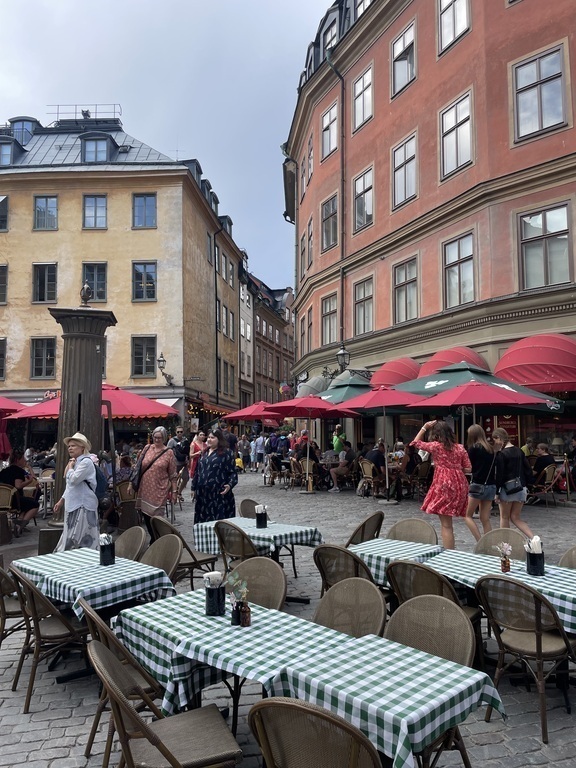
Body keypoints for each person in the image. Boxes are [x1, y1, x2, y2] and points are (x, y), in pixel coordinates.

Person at [410, 420, 471, 549]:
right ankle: (451, 551)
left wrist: (424, 427)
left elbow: (415, 443)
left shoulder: (436, 446)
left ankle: (449, 553)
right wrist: (455, 467)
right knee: (449, 522)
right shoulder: (460, 448)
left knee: (446, 525)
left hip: (443, 483)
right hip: (460, 484)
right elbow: (468, 469)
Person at [52, 432, 99, 551]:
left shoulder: (86, 462)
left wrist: (71, 468)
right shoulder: (76, 462)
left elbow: (73, 480)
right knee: (72, 534)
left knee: (81, 536)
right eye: (69, 446)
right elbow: (70, 485)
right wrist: (61, 501)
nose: (70, 448)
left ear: (82, 447)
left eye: (73, 445)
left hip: (83, 505)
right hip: (74, 504)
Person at [132, 426, 178, 539]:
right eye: (155, 437)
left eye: (160, 438)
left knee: (157, 517)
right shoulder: (147, 448)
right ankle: (153, 538)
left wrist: (175, 492)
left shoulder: (169, 453)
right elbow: (138, 466)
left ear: (164, 438)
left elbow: (173, 475)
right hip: (145, 488)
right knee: (145, 515)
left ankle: (158, 538)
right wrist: (131, 483)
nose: (157, 440)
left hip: (159, 490)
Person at [492, 427, 534, 538]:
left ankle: (506, 545)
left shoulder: (501, 454)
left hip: (507, 489)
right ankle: (534, 538)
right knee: (516, 517)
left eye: (495, 440)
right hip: (521, 488)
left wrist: (496, 492)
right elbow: (528, 470)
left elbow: (499, 475)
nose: (495, 443)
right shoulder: (519, 451)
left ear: (499, 438)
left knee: (504, 517)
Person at [191, 428, 237, 524]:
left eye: (212, 437)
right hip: (203, 495)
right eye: (208, 437)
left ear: (219, 439)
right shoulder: (204, 453)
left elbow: (233, 472)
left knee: (218, 522)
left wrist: (230, 485)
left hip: (219, 495)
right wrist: (193, 487)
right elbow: (197, 471)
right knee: (203, 522)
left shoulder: (227, 453)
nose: (209, 439)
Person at [464, 424, 498, 542]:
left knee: (467, 516)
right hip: (491, 485)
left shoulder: (473, 448)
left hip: (477, 485)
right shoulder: (491, 449)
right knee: (485, 518)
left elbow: (469, 467)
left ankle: (480, 541)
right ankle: (489, 542)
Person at [0, 448, 41, 536]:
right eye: (23, 459)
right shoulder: (18, 471)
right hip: (14, 501)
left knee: (27, 503)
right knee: (35, 505)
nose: (24, 460)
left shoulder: (4, 471)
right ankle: (20, 525)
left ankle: (20, 519)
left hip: (2, 501)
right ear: (18, 460)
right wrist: (29, 482)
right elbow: (18, 485)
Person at [167, 427, 190, 498]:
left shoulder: (185, 440)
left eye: (181, 432)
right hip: (175, 463)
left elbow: (187, 451)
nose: (180, 433)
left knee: (186, 478)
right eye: (178, 432)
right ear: (175, 432)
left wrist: (188, 459)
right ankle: (170, 494)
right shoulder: (172, 441)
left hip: (184, 462)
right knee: (173, 479)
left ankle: (179, 492)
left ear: (183, 432)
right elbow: (167, 451)